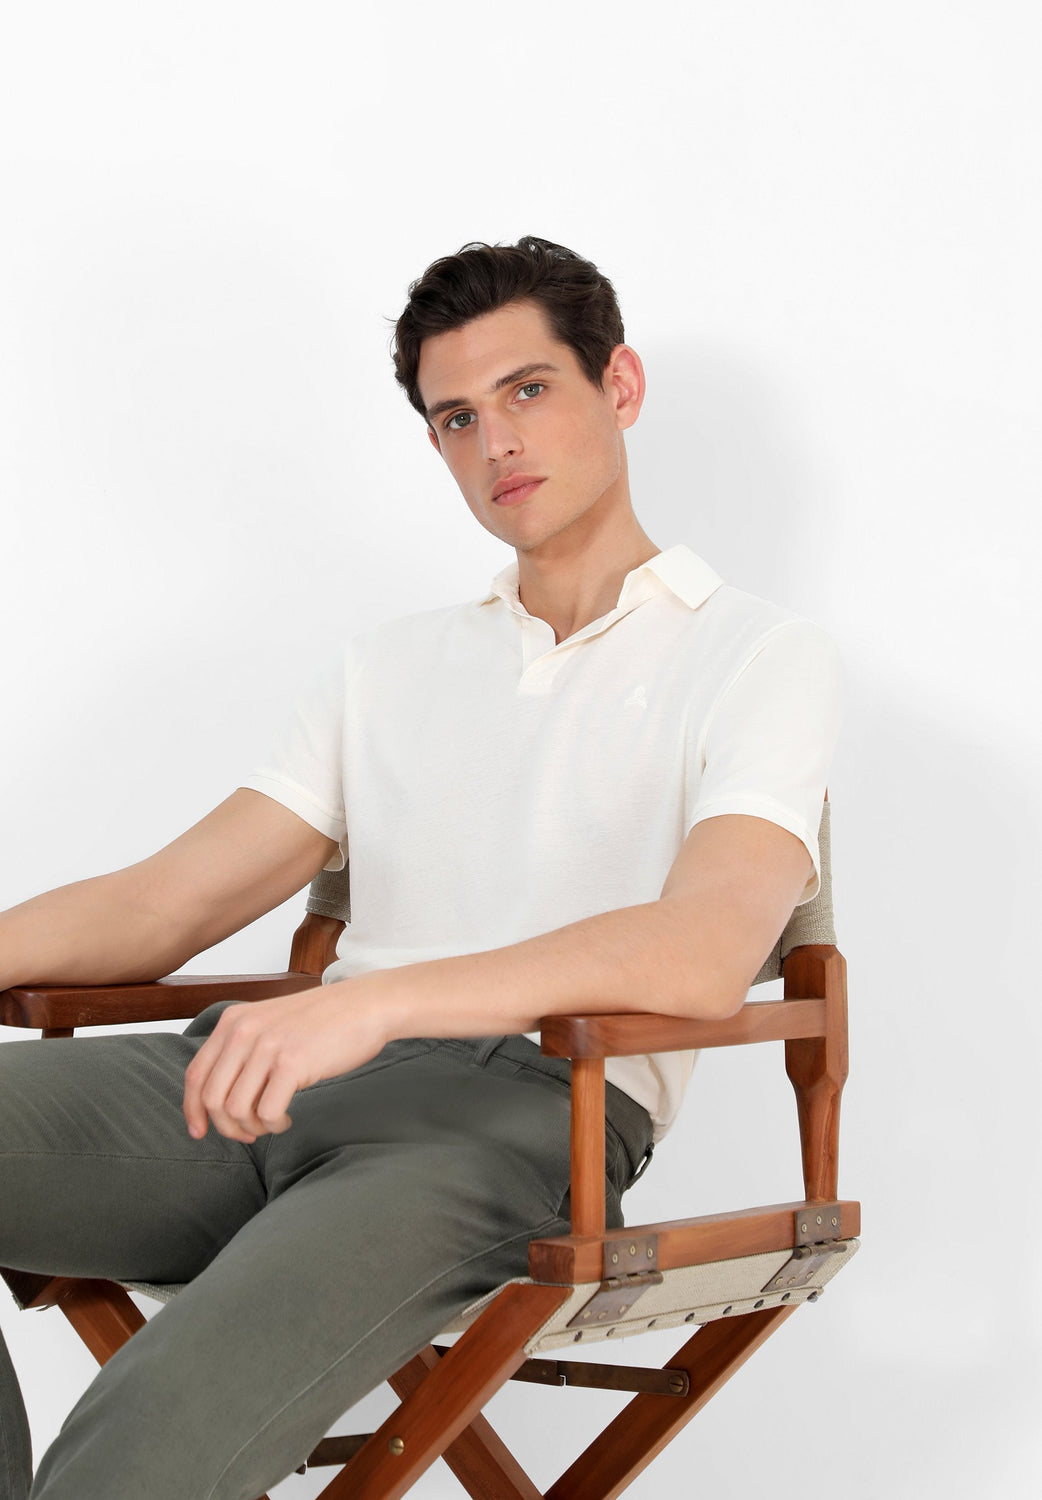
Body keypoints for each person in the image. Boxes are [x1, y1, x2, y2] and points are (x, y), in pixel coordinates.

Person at [0, 236, 842, 1499]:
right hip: (261, 1081)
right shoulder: (390, 667)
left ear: (618, 385)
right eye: (457, 418)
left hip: (523, 1117)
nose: (496, 441)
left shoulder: (756, 657)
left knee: (141, 1448)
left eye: (527, 390)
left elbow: (706, 946)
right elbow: (164, 900)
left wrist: (376, 1003)